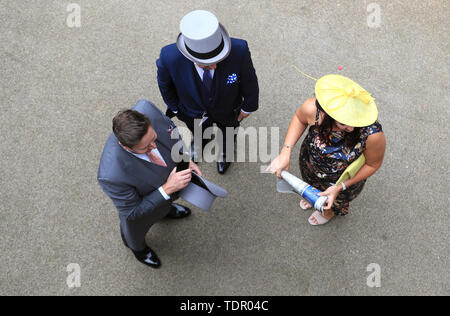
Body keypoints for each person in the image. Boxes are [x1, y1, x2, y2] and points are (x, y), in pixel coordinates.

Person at [267, 75, 386, 225]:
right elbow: (299, 118)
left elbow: (372, 164)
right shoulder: (313, 110)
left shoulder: (373, 135)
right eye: (343, 123)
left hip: (342, 180)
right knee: (309, 187)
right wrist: (286, 151)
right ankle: (313, 198)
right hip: (311, 164)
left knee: (331, 202)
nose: (351, 128)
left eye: (355, 121)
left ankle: (328, 213)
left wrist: (340, 187)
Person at [97, 99, 202, 268]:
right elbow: (133, 212)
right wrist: (167, 188)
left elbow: (172, 133)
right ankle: (139, 250)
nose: (154, 146)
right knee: (134, 231)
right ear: (126, 147)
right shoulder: (111, 175)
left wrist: (184, 158)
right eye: (146, 148)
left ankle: (165, 210)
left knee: (163, 205)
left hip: (161, 187)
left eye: (154, 138)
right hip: (140, 208)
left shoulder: (147, 109)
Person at [156, 10, 259, 174]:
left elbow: (249, 79)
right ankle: (200, 142)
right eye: (207, 64)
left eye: (218, 60)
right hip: (191, 111)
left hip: (228, 109)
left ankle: (225, 152)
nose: (215, 66)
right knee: (198, 131)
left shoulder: (239, 50)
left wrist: (248, 107)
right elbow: (164, 85)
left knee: (228, 132)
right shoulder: (169, 57)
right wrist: (176, 109)